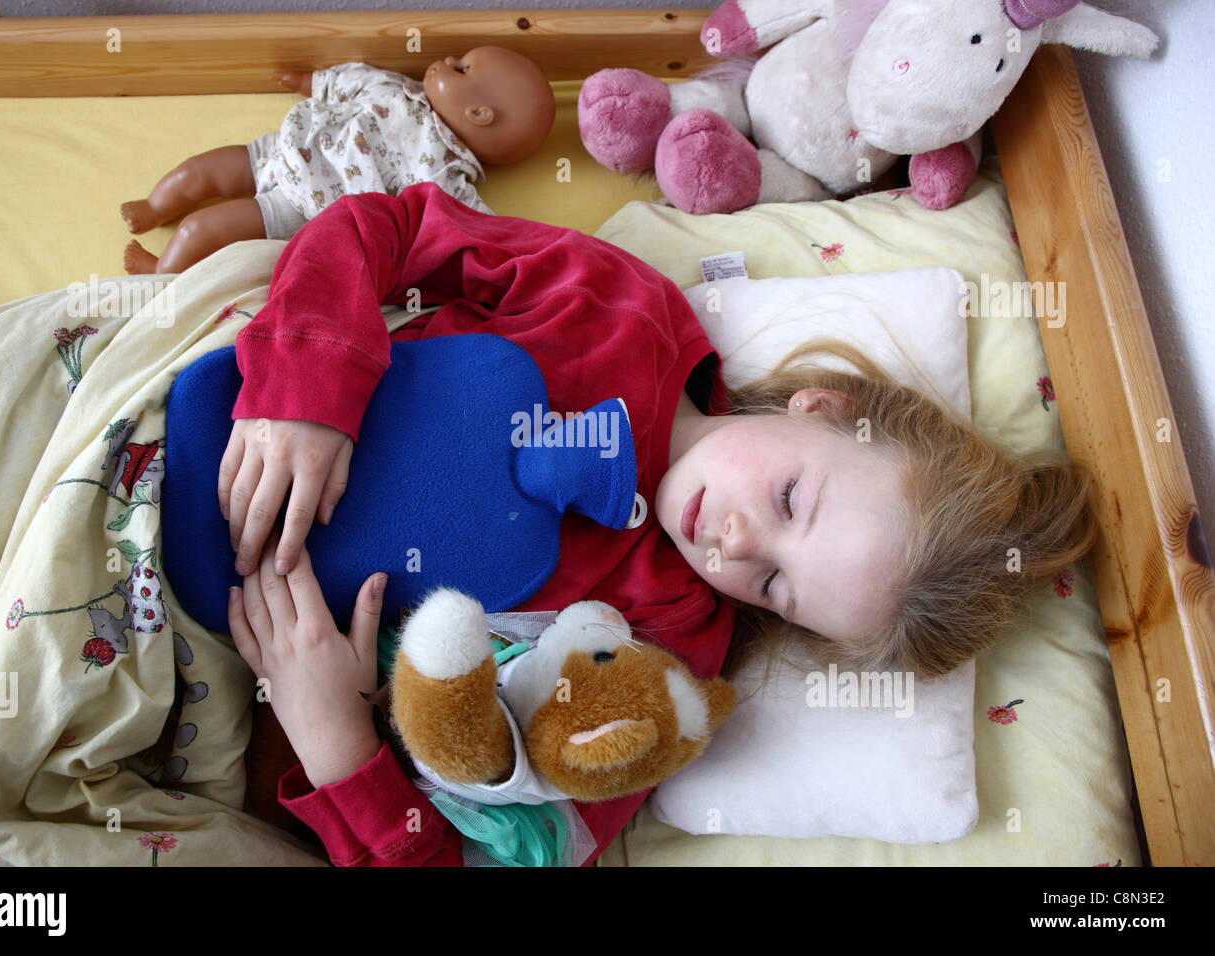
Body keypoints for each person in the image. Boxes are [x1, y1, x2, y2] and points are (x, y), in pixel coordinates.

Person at [220, 181, 1095, 865]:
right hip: (214, 428)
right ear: (821, 407)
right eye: (792, 499)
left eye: (777, 587)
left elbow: (493, 853)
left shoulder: (668, 651)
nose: (741, 543)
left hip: (220, 683)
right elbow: (390, 229)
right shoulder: (616, 312)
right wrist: (308, 386)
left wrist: (336, 740)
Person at [120, 47, 556, 275]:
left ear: (479, 115)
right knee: (198, 172)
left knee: (203, 229)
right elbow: (353, 79)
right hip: (286, 147)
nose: (445, 60)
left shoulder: (445, 173)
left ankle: (161, 272)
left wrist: (514, 250)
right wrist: (314, 82)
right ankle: (157, 205)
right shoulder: (400, 88)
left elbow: (478, 226)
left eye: (459, 69)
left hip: (302, 203)